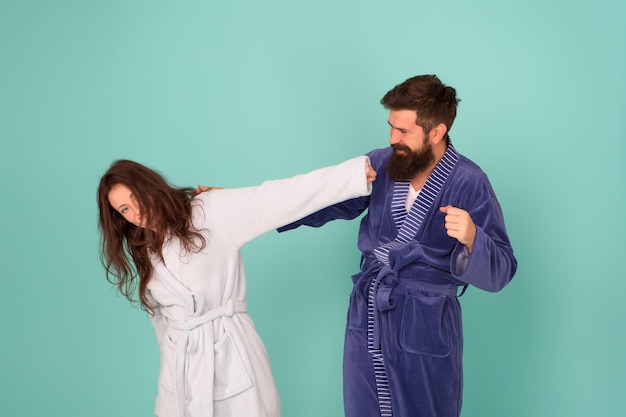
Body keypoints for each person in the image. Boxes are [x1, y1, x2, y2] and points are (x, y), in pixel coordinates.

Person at [278, 74, 518, 417]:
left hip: (426, 325)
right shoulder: (381, 164)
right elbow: (316, 199)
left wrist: (473, 238)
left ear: (436, 132)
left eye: (404, 132)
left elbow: (503, 269)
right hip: (369, 313)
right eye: (391, 127)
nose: (393, 139)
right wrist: (246, 207)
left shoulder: (469, 181)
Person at [96, 156, 376, 417]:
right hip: (179, 377)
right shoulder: (146, 254)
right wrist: (168, 389)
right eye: (124, 209)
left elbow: (274, 198)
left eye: (135, 197)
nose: (136, 210)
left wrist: (349, 177)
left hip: (231, 356)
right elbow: (163, 332)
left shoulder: (208, 211)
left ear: (149, 186)